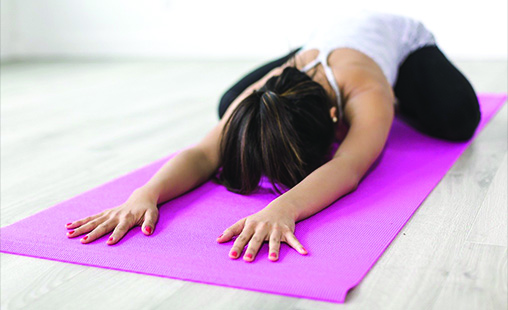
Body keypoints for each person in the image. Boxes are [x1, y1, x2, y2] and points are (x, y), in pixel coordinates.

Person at [64, 12, 481, 263]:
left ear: (337, 120)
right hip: (319, 47)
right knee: (233, 105)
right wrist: (145, 194)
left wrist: (284, 208)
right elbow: (203, 153)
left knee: (460, 119)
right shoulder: (270, 87)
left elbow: (349, 167)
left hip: (401, 44)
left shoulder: (368, 93)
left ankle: (404, 95)